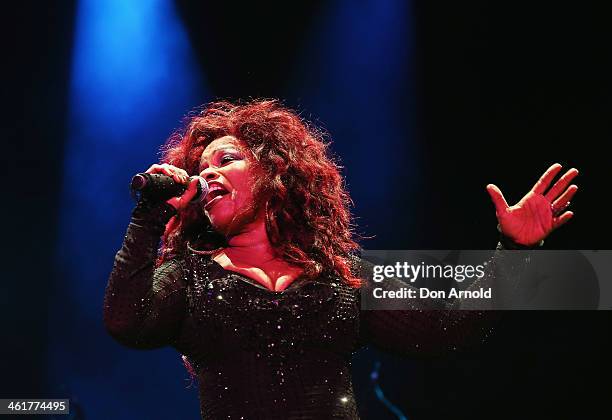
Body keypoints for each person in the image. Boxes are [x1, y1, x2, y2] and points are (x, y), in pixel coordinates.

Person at [103, 99, 578, 419]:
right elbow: (128, 322)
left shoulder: (342, 281)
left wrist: (514, 250)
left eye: (225, 160)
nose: (208, 177)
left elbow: (452, 328)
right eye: (201, 170)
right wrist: (150, 214)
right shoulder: (189, 277)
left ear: (276, 173)